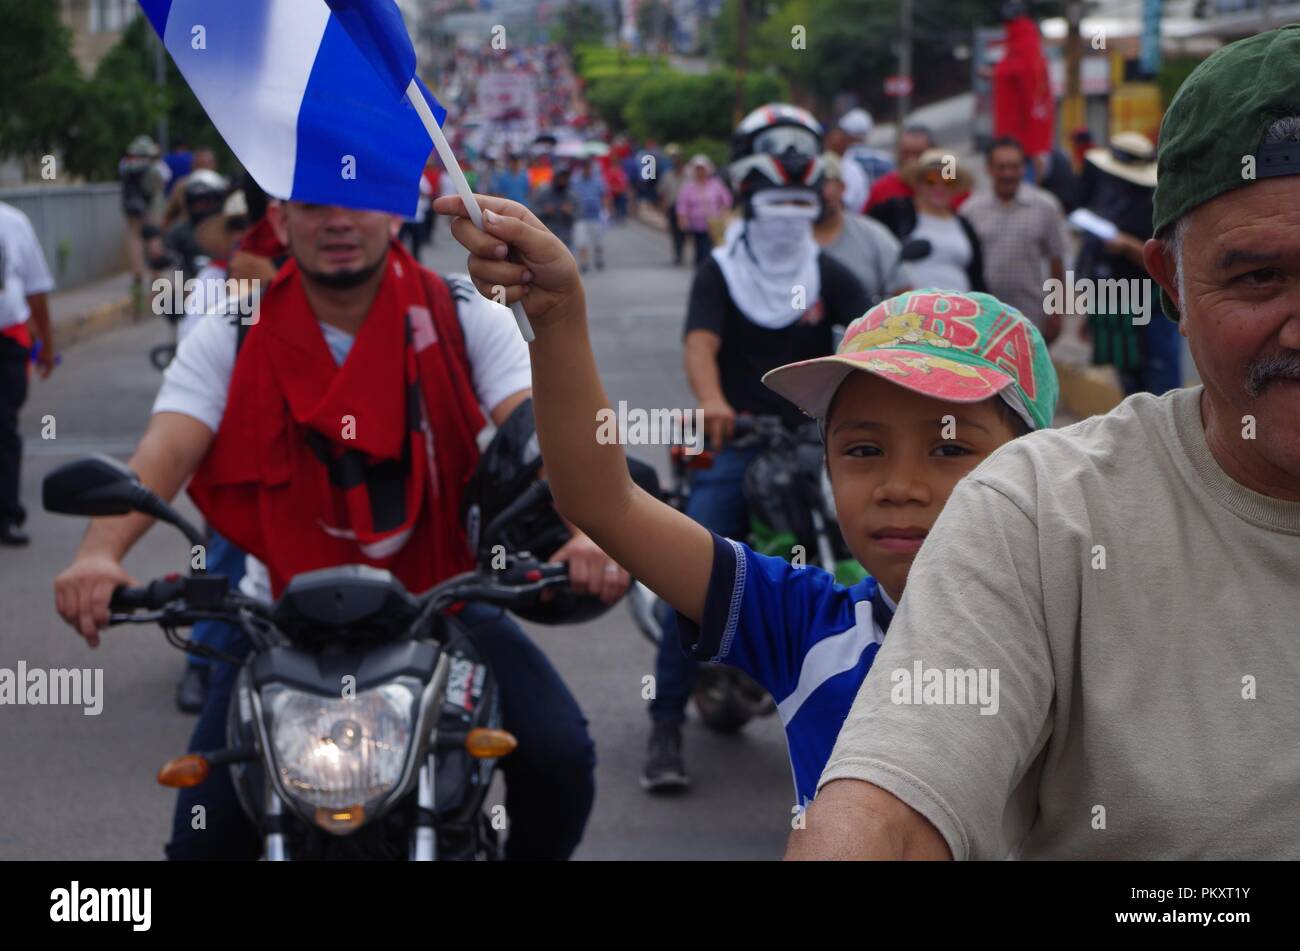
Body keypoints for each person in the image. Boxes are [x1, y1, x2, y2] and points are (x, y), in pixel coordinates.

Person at [789, 25, 1300, 860]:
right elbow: (888, 811)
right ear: (1168, 281)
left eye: (947, 447)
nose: (902, 483)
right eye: (1257, 277)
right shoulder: (1035, 516)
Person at [437, 193, 1057, 813]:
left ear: (1038, 463)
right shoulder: (805, 622)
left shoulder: (1086, 637)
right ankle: (668, 718)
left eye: (948, 451)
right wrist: (558, 317)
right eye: (863, 450)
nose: (900, 486)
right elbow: (604, 502)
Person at [53, 199, 630, 861]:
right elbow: (164, 451)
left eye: (358, 203)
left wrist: (587, 532)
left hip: (445, 605)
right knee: (200, 842)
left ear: (393, 215)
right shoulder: (233, 327)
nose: (337, 222)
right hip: (279, 621)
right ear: (280, 218)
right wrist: (99, 553)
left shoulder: (466, 312)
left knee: (561, 758)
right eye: (314, 204)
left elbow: (540, 439)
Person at [649, 104, 870, 790]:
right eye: (773, 202)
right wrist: (713, 402)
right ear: (747, 196)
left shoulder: (832, 276)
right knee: (690, 576)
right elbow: (700, 343)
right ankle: (664, 730)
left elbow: (866, 348)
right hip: (738, 438)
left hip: (814, 443)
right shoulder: (719, 271)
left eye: (797, 204)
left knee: (873, 560)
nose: (784, 216)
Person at [1076, 131, 1179, 395]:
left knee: (1161, 388)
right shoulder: (1107, 194)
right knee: (1130, 389)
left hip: (1152, 308)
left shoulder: (1159, 204)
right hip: (1114, 306)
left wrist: (1127, 246)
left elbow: (1169, 262)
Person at [962, 137, 1070, 343]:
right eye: (1001, 167)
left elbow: (1057, 261)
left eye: (1014, 166)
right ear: (989, 169)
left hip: (1031, 315)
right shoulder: (970, 210)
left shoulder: (1046, 206)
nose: (1007, 173)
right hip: (982, 317)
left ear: (1023, 168)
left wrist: (1056, 313)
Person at [0, 200, 57, 547]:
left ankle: (6, 514)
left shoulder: (13, 222)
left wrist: (47, 344)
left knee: (4, 425)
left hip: (7, 342)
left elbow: (36, 288)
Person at [814, 152, 912, 307]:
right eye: (807, 184)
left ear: (842, 187)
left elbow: (904, 293)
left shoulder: (873, 235)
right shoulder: (783, 240)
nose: (815, 191)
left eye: (822, 181)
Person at [886, 149, 985, 293]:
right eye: (931, 180)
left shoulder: (964, 223)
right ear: (918, 182)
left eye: (948, 181)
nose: (939, 187)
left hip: (959, 308)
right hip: (912, 310)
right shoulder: (897, 212)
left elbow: (976, 275)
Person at [992, 3, 1054, 182]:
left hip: (1022, 149)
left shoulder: (1023, 46)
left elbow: (1032, 102)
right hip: (1017, 144)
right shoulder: (1021, 45)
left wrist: (1036, 150)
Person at [119, 135, 172, 295]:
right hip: (152, 209)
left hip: (132, 210)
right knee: (154, 239)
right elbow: (165, 178)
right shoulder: (156, 167)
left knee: (134, 240)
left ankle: (137, 273)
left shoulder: (126, 165)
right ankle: (156, 277)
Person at [674, 155, 731, 269]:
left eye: (702, 169)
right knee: (700, 248)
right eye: (698, 169)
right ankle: (702, 268)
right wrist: (682, 220)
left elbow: (726, 201)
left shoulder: (716, 184)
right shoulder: (688, 187)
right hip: (696, 224)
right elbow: (682, 206)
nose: (700, 172)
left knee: (710, 249)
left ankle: (707, 269)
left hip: (714, 224)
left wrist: (724, 215)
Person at [571, 158, 610, 273]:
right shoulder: (575, 181)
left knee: (598, 241)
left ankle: (599, 258)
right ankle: (584, 262)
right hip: (581, 216)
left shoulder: (598, 181)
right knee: (582, 241)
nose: (587, 171)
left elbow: (605, 195)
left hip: (596, 216)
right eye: (585, 168)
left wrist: (606, 210)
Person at [533, 162, 577, 249]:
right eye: (561, 176)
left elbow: (578, 215)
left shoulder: (571, 196)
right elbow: (533, 211)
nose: (563, 179)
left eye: (565, 177)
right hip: (548, 237)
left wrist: (570, 212)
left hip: (566, 239)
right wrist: (545, 212)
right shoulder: (544, 193)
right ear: (555, 177)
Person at [658, 144, 686, 266]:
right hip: (673, 207)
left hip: (686, 209)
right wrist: (664, 208)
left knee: (684, 232)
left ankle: (682, 251)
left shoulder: (688, 175)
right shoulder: (667, 175)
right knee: (675, 233)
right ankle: (678, 254)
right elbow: (663, 193)